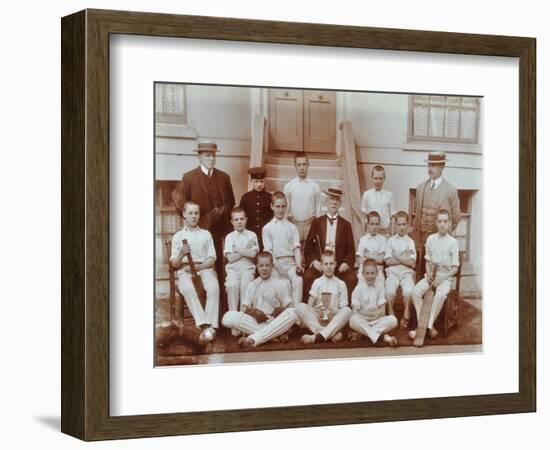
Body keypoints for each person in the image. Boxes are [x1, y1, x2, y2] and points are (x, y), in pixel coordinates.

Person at [171, 141, 235, 278]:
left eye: (213, 155)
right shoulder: (189, 177)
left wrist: (222, 211)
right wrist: (196, 220)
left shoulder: (224, 177)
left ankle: (222, 299)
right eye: (207, 155)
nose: (212, 159)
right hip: (198, 231)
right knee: (201, 269)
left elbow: (231, 202)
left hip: (221, 232)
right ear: (199, 157)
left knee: (221, 267)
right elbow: (179, 204)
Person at [221, 252, 298, 347]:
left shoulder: (280, 284)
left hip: (275, 321)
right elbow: (244, 309)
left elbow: (290, 307)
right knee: (227, 317)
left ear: (272, 266)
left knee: (293, 313)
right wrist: (253, 312)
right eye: (261, 266)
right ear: (257, 266)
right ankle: (274, 336)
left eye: (267, 265)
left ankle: (254, 338)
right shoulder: (252, 285)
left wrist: (280, 312)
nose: (264, 269)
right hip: (257, 322)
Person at [170, 201, 220, 344]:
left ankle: (209, 327)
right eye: (190, 213)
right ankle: (205, 325)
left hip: (204, 268)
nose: (193, 216)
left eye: (196, 213)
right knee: (187, 288)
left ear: (199, 216)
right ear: (184, 214)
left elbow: (212, 259)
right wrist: (181, 253)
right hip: (184, 270)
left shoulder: (206, 234)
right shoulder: (178, 236)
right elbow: (174, 264)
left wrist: (199, 268)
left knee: (214, 287)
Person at [410, 209, 460, 340]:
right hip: (431, 275)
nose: (442, 224)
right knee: (415, 292)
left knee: (441, 294)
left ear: (449, 223)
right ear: (436, 223)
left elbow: (455, 268)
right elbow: (427, 261)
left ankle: (428, 326)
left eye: (445, 221)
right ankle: (424, 324)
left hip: (445, 278)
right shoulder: (431, 239)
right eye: (440, 221)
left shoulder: (453, 242)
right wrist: (428, 273)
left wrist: (442, 278)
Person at [303, 188, 357, 301]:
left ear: (340, 203)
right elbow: (308, 248)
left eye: (337, 199)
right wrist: (314, 262)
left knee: (352, 279)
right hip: (321, 266)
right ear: (326, 201)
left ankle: (345, 310)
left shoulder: (346, 225)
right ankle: (310, 308)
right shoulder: (317, 223)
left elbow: (351, 251)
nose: (334, 202)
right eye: (331, 199)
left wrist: (346, 264)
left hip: (338, 268)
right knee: (308, 276)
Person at [296, 251, 352, 344]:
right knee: (300, 307)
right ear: (321, 265)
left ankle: (316, 337)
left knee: (348, 311)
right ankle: (329, 334)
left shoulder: (341, 284)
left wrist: (333, 313)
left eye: (331, 263)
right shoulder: (317, 282)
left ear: (335, 264)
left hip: (333, 319)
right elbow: (310, 305)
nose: (329, 267)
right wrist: (318, 314)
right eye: (326, 264)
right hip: (318, 319)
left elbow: (342, 307)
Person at [262, 192, 304, 306]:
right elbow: (269, 252)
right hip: (276, 264)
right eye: (277, 206)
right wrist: (279, 268)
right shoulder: (267, 228)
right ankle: (281, 312)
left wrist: (298, 265)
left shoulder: (292, 227)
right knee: (282, 283)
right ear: (272, 206)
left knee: (298, 280)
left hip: (291, 263)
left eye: (283, 206)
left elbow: (296, 247)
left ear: (286, 206)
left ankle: (295, 312)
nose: (280, 210)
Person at [414, 151, 461, 249]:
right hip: (422, 240)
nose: (430, 169)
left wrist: (444, 231)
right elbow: (417, 215)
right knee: (423, 264)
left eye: (434, 165)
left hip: (441, 240)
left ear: (442, 166)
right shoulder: (420, 188)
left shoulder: (451, 190)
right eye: (429, 165)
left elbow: (456, 217)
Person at [223, 207, 259, 334]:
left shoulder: (252, 235)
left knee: (246, 285)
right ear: (232, 221)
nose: (239, 222)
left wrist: (237, 249)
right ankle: (234, 322)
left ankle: (244, 322)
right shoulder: (229, 237)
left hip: (248, 267)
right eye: (236, 219)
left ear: (246, 220)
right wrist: (245, 250)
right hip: (233, 269)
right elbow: (230, 258)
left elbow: (253, 255)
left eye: (242, 219)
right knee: (232, 285)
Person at [348, 259, 398, 346]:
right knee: (353, 320)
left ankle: (365, 333)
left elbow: (382, 311)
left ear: (377, 273)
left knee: (393, 320)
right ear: (363, 274)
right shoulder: (358, 289)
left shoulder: (380, 287)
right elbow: (355, 312)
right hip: (363, 320)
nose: (370, 276)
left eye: (372, 273)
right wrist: (371, 315)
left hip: (377, 320)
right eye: (367, 273)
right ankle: (382, 337)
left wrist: (369, 315)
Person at [384, 211, 417, 330]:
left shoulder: (410, 242)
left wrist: (396, 256)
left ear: (407, 225)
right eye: (399, 224)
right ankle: (391, 316)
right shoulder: (391, 241)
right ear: (396, 225)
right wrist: (404, 257)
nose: (402, 227)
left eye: (404, 224)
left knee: (409, 291)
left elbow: (412, 263)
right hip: (392, 272)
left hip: (406, 272)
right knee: (388, 292)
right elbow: (387, 261)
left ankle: (406, 316)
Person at [283, 152, 321, 244]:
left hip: (310, 224)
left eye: (304, 164)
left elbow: (318, 209)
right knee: (295, 250)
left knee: (309, 251)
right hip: (294, 224)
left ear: (308, 165)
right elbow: (286, 209)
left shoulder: (315, 186)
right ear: (295, 166)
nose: (302, 167)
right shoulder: (289, 186)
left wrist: (316, 226)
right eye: (299, 165)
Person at [239, 166, 273, 250]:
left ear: (265, 181)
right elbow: (241, 216)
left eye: (261, 181)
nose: (259, 184)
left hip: (265, 233)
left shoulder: (269, 197)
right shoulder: (245, 198)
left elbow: (272, 216)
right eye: (256, 181)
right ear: (251, 181)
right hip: (249, 233)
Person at [361, 165, 395, 236]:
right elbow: (363, 218)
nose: (378, 181)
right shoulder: (366, 195)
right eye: (375, 178)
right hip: (370, 233)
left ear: (384, 179)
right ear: (371, 178)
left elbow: (393, 220)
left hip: (384, 233)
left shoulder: (389, 195)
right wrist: (362, 236)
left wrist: (392, 237)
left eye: (380, 178)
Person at [356, 211, 387, 286]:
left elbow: (380, 260)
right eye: (372, 224)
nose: (374, 227)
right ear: (368, 224)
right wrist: (375, 257)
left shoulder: (383, 240)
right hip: (364, 269)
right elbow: (360, 260)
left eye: (377, 224)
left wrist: (367, 254)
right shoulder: (363, 239)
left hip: (378, 269)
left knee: (380, 283)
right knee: (361, 281)